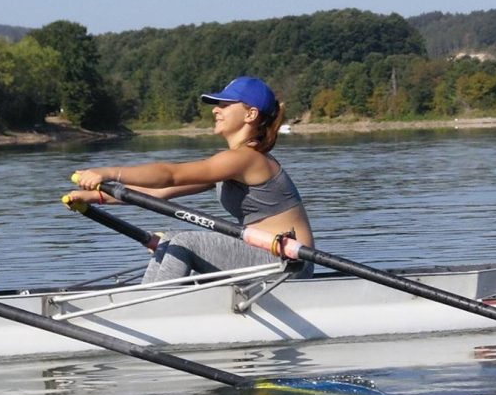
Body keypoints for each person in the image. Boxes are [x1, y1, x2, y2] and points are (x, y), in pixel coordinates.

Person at [69, 76, 314, 283]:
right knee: (171, 239)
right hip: (264, 255)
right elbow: (158, 192)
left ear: (251, 114)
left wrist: (110, 173)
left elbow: (170, 175)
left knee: (185, 242)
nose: (215, 109)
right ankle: (148, 301)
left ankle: (152, 311)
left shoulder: (247, 159)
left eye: (225, 104)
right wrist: (93, 197)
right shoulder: (233, 162)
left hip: (290, 264)